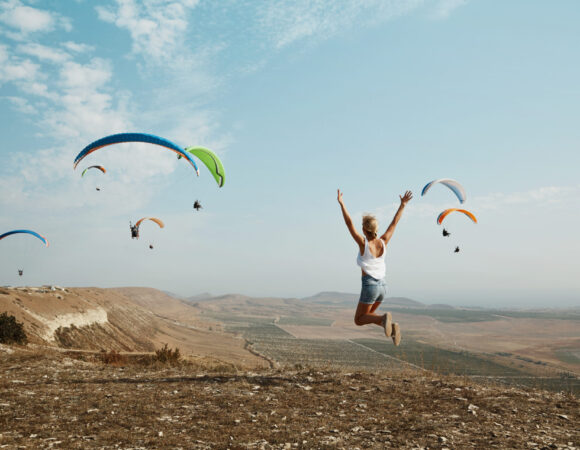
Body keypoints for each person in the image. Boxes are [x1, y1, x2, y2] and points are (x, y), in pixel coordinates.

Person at [337, 189, 413, 346]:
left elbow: (349, 223)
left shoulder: (363, 244)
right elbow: (394, 223)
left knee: (358, 320)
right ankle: (392, 327)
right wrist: (402, 205)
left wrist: (342, 203)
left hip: (370, 286)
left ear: (365, 230)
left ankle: (384, 319)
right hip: (383, 288)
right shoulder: (384, 242)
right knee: (368, 315)